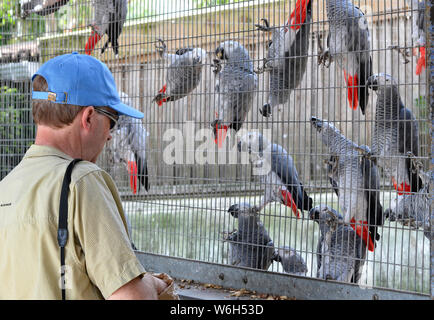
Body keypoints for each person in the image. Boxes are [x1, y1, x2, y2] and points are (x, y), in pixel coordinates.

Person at [0, 52, 177, 300]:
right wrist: (152, 284)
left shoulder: (6, 187)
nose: (109, 136)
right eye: (112, 122)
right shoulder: (81, 180)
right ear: (89, 117)